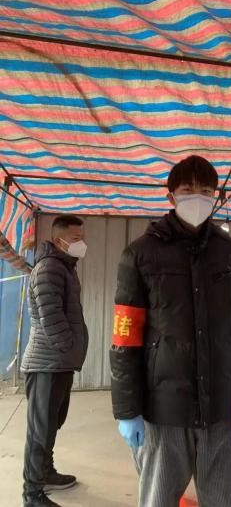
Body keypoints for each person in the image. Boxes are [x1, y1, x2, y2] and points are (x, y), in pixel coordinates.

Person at [110, 155, 231, 507]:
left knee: (226, 500)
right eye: (188, 189)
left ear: (216, 196)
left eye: (206, 190)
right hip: (164, 409)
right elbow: (124, 337)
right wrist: (127, 408)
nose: (198, 197)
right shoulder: (140, 254)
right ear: (171, 195)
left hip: (220, 406)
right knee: (158, 499)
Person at [21, 215, 89, 507]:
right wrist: (68, 346)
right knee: (40, 430)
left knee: (50, 424)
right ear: (58, 239)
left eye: (82, 237)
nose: (81, 243)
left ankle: (45, 473)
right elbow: (51, 317)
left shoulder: (64, 266)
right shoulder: (49, 268)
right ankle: (32, 494)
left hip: (59, 362)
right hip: (46, 364)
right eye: (75, 239)